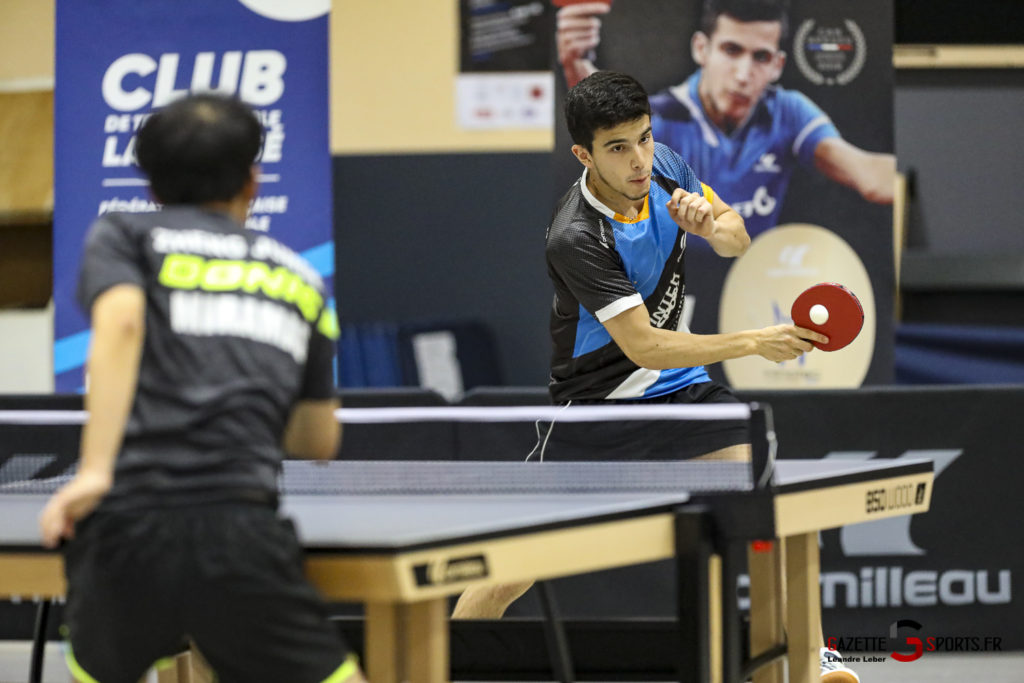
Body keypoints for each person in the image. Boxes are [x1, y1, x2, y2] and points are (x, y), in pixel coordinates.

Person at [453, 70, 858, 683]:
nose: (639, 159)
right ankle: (431, 663)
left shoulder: (664, 164)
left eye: (644, 138)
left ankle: (806, 661)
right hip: (596, 406)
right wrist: (754, 341)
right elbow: (644, 346)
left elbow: (737, 238)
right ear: (583, 155)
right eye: (618, 148)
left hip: (683, 392)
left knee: (767, 508)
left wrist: (710, 226)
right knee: (509, 569)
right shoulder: (577, 237)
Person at [38, 94, 365, 683]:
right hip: (239, 532)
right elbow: (316, 440)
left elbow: (121, 322)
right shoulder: (300, 279)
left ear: (152, 187)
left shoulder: (124, 235)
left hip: (127, 529)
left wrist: (94, 472)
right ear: (253, 181)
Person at [556, 0, 895, 238]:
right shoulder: (659, 118)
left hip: (751, 282)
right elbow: (607, 129)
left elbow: (866, 172)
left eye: (760, 57)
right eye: (731, 50)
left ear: (777, 65)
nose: (744, 74)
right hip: (673, 284)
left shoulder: (788, 111)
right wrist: (577, 66)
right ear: (701, 49)